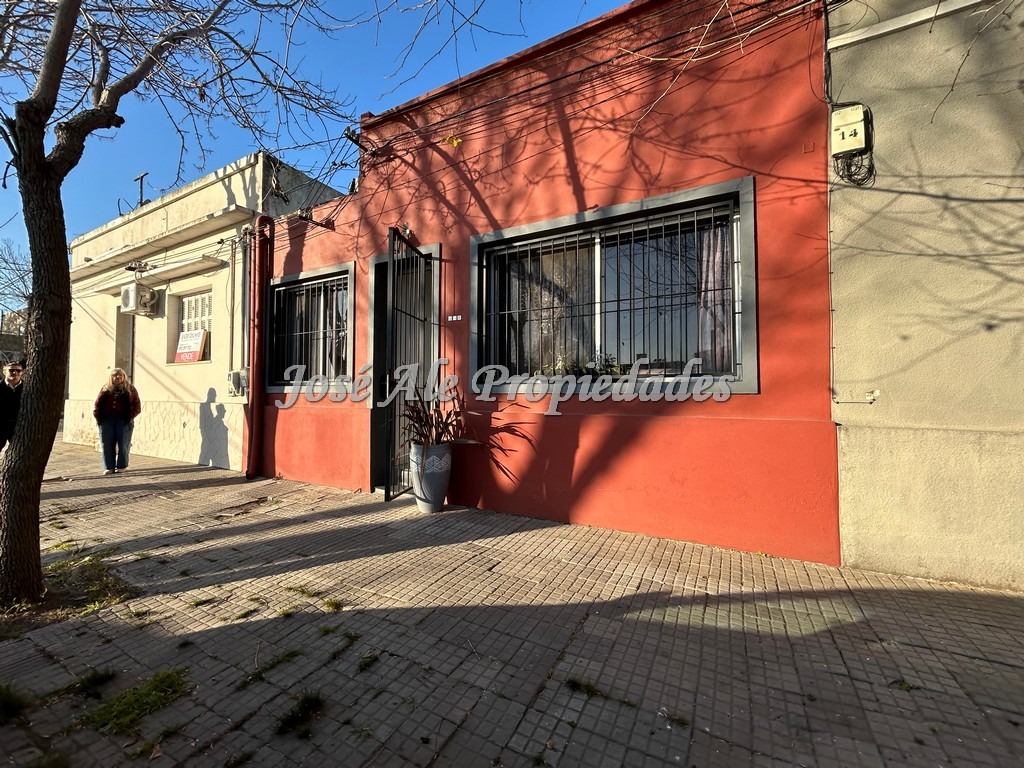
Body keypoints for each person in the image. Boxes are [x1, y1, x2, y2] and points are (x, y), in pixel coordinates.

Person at [93, 368, 141, 475]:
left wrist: (129, 416)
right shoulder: (105, 388)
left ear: (124, 377)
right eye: (115, 376)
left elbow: (137, 405)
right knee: (106, 443)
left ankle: (121, 466)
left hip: (123, 420)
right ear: (111, 378)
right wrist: (98, 417)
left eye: (120, 375)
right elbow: (97, 404)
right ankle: (109, 466)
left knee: (124, 442)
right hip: (107, 420)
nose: (117, 377)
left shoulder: (130, 389)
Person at [0, 360, 25, 451]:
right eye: (11, 370)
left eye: (18, 371)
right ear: (4, 372)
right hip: (1, 425)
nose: (15, 373)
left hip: (19, 426)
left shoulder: (27, 388)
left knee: (20, 451)